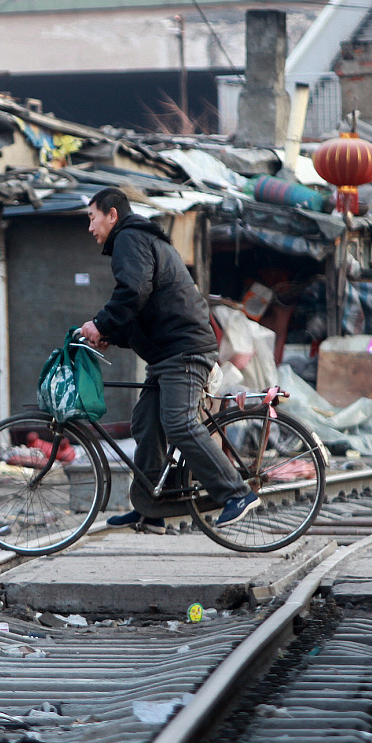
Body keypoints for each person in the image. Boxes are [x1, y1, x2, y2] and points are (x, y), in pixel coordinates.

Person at [77, 187, 259, 532]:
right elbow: (144, 307)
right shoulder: (138, 240)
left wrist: (101, 322)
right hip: (168, 353)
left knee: (178, 422)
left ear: (111, 214)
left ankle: (236, 492)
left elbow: (133, 290)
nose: (90, 227)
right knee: (146, 422)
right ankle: (151, 508)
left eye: (92, 217)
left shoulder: (130, 238)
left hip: (184, 351)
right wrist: (110, 334)